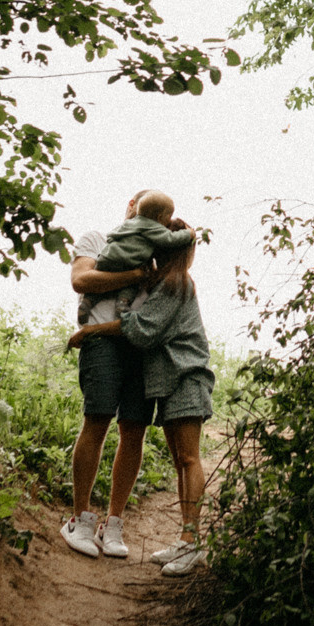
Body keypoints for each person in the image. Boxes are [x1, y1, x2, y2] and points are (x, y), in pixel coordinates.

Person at [67, 222, 215, 577]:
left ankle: (191, 541)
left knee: (189, 458)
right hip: (170, 380)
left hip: (185, 376)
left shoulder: (174, 283)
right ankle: (185, 541)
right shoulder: (163, 281)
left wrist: (91, 329)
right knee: (182, 459)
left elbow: (141, 328)